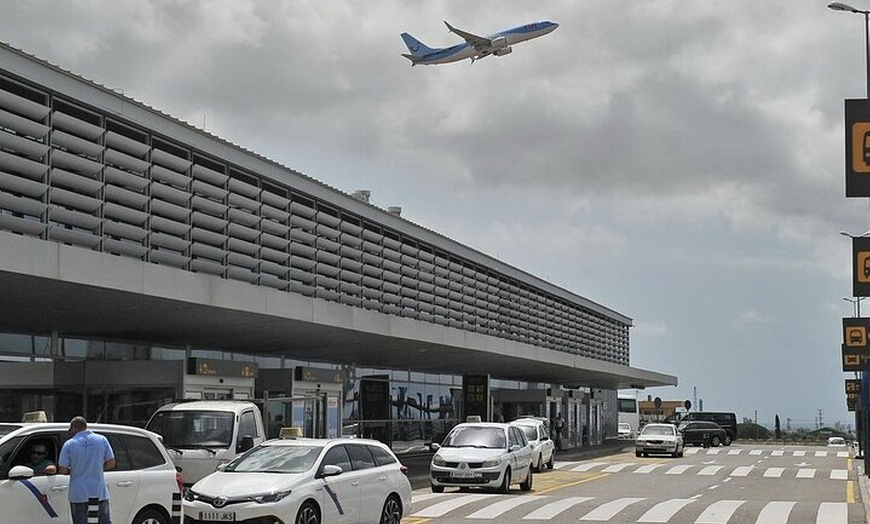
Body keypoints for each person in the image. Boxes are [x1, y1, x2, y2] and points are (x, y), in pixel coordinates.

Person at [58, 416, 116, 524]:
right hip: (99, 492)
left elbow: (63, 470)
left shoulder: (69, 444)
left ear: (74, 428)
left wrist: (75, 469)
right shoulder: (102, 440)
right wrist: (98, 467)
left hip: (78, 493)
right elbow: (111, 463)